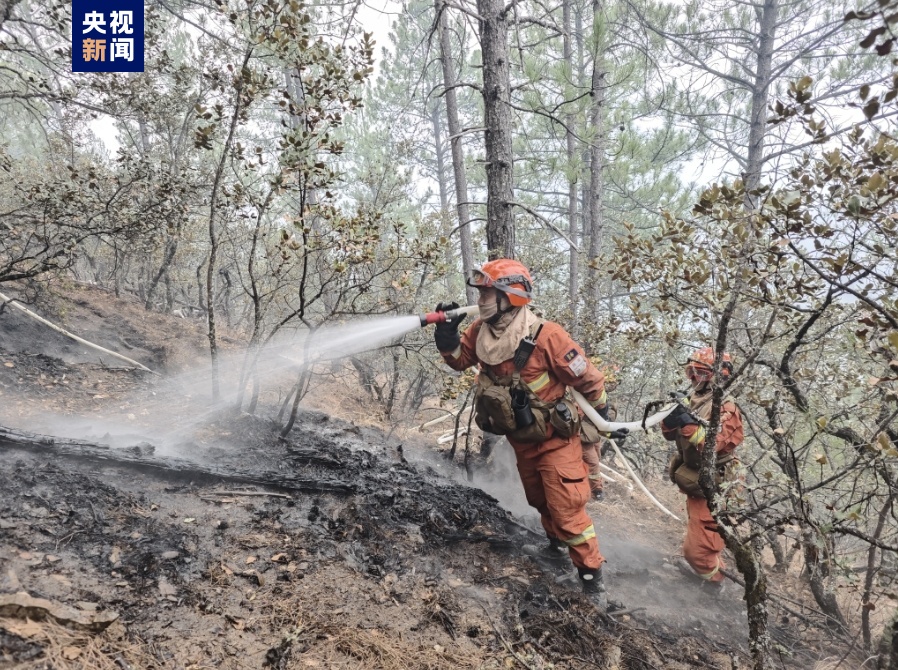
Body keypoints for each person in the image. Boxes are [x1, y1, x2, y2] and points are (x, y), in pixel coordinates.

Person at [433, 258, 619, 608]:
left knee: (566, 508)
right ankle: (554, 549)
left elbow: (589, 379)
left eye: (490, 291)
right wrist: (446, 336)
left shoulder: (547, 335)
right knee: (539, 499)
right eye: (482, 291)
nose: (482, 297)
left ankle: (592, 582)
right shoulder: (480, 331)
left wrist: (603, 416)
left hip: (555, 440)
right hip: (522, 438)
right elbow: (460, 359)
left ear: (512, 296)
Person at [660, 347, 744, 594]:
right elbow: (668, 434)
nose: (695, 380)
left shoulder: (727, 409)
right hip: (695, 475)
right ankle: (708, 571)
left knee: (699, 548)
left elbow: (713, 445)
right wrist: (670, 418)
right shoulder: (693, 399)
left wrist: (687, 424)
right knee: (699, 537)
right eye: (692, 373)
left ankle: (714, 584)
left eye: (702, 374)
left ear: (719, 377)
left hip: (715, 483)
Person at [579, 361, 620, 501]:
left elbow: (608, 420)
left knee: (596, 458)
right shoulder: (581, 394)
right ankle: (597, 491)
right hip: (583, 435)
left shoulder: (606, 400)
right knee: (593, 462)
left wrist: (608, 410)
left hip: (594, 435)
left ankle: (586, 488)